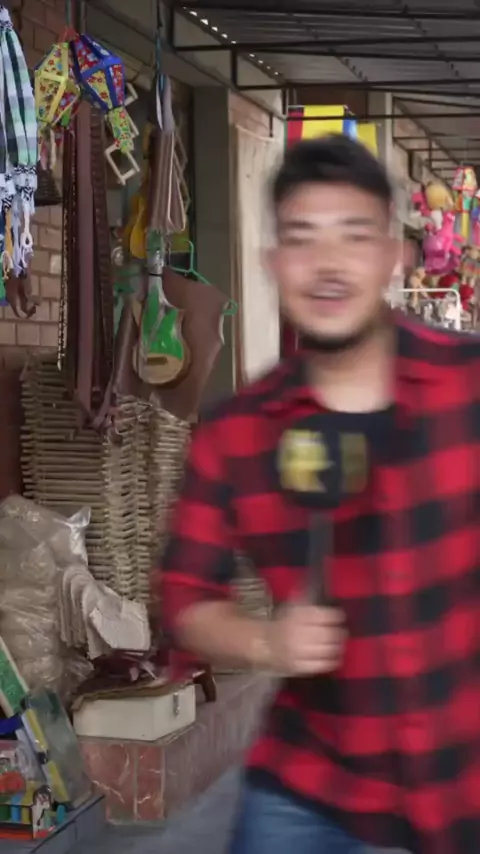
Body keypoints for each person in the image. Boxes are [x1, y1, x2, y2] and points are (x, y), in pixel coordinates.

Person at [157, 135, 480, 854]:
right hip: (307, 790)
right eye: (303, 238)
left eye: (354, 235)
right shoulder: (238, 432)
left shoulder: (468, 385)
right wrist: (266, 640)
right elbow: (184, 598)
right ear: (274, 263)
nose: (329, 264)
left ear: (395, 255)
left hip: (462, 781)